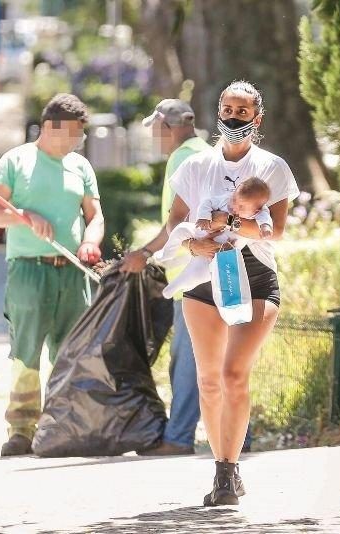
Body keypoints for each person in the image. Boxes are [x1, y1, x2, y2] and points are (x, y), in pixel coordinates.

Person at [165, 80, 298, 506]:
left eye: (243, 111)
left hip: (255, 278)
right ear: (216, 110)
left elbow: (275, 230)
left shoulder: (273, 167)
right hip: (205, 278)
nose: (233, 117)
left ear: (256, 119)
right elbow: (176, 221)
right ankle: (223, 474)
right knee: (208, 380)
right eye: (227, 107)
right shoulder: (194, 166)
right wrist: (190, 244)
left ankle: (230, 468)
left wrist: (225, 224)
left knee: (233, 374)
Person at [0, 93, 104, 457]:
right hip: (29, 271)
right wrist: (23, 217)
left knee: (71, 353)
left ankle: (63, 425)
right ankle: (21, 429)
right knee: (26, 352)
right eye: (76, 133)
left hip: (72, 273)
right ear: (53, 127)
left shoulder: (80, 167)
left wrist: (89, 242)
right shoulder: (15, 162)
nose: (79, 141)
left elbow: (95, 215)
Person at [119, 99, 214, 456]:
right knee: (216, 359)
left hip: (192, 277)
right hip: (208, 270)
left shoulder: (182, 157)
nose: (155, 138)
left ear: (166, 126)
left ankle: (178, 437)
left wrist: (143, 254)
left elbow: (178, 220)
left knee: (188, 359)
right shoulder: (207, 150)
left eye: (155, 130)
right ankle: (240, 436)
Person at [155, 177, 273, 299]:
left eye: (241, 207)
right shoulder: (226, 199)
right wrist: (204, 217)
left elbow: (266, 221)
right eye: (234, 199)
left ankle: (178, 285)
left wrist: (266, 228)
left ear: (256, 210)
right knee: (181, 229)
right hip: (203, 232)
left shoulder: (261, 213)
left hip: (223, 249)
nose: (234, 207)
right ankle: (167, 252)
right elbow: (207, 203)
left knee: (203, 273)